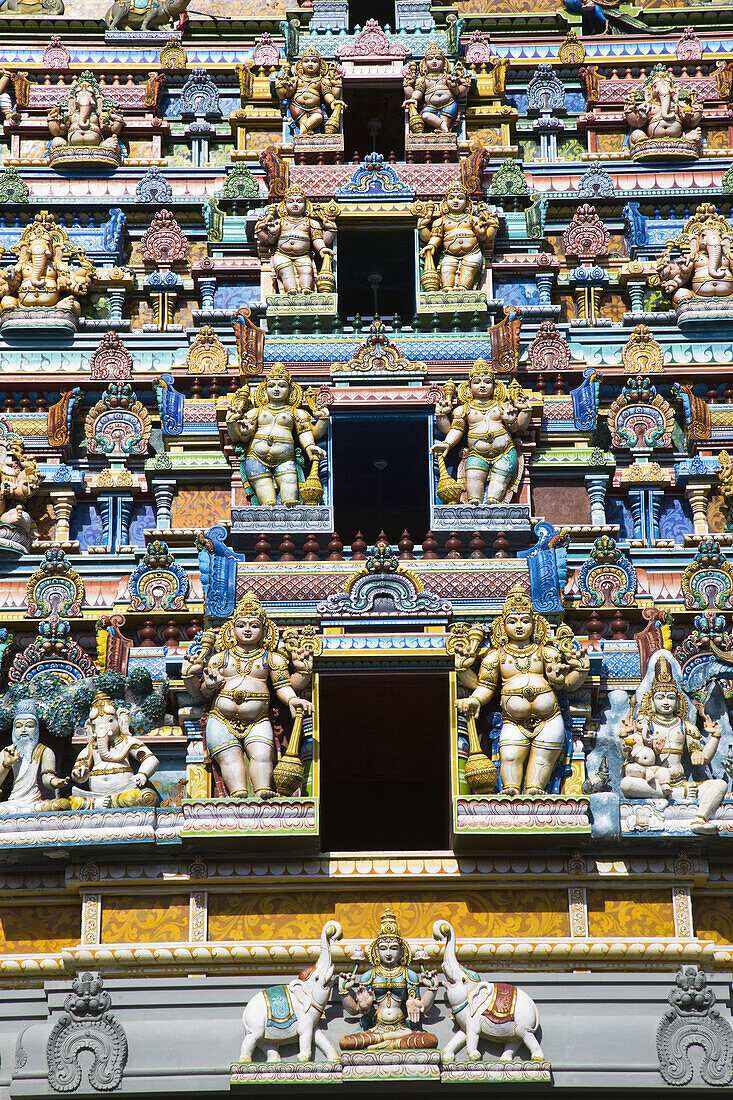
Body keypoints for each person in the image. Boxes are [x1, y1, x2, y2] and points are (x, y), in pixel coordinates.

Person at [182, 592, 313, 799]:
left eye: (254, 625)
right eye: (242, 625)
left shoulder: (273, 659)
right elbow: (199, 692)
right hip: (221, 718)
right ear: (232, 630)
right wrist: (192, 675)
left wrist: (293, 697)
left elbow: (283, 686)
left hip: (258, 719)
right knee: (229, 757)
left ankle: (262, 792)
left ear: (264, 631)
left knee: (262, 755)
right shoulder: (219, 658)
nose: (248, 629)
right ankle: (238, 795)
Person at [339, 908, 439, 1051]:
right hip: (377, 1029)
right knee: (345, 1043)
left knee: (430, 1040)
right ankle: (389, 1043)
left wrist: (432, 989)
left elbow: (420, 1007)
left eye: (393, 948)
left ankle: (381, 1045)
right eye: (383, 948)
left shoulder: (409, 974)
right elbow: (355, 1010)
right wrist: (344, 992)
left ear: (401, 951)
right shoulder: (370, 975)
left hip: (402, 1029)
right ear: (376, 951)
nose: (388, 953)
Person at [0, 699, 68, 812]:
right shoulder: (7, 752)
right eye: (18, 726)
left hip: (35, 803)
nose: (24, 730)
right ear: (13, 731)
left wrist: (55, 782)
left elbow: (47, 778)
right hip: (12, 803)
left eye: (29, 726)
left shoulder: (45, 751)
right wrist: (6, 765)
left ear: (36, 731)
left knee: (62, 805)